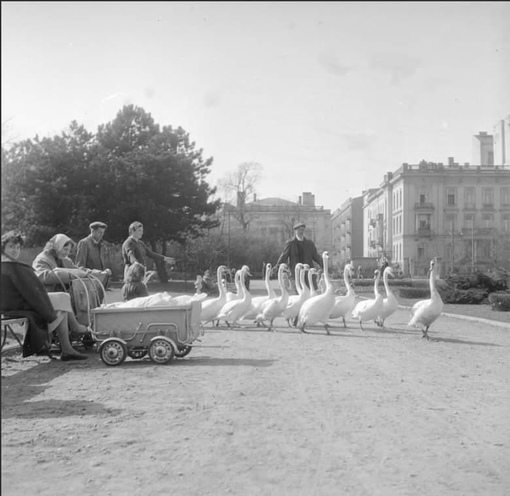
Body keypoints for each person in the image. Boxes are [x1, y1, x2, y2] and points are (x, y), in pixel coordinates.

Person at [1, 230, 88, 360]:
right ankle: (71, 338)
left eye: (17, 247)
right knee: (62, 298)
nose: (15, 250)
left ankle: (67, 348)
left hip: (22, 301)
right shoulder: (7, 266)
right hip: (15, 305)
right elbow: (22, 290)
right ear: (3, 248)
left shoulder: (13, 265)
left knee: (62, 303)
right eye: (11, 247)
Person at [274, 222, 323, 291]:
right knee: (298, 295)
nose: (301, 231)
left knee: (310, 295)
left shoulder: (309, 244)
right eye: (299, 230)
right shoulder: (290, 243)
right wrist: (277, 267)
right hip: (295, 274)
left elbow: (316, 256)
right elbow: (284, 256)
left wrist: (324, 266)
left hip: (308, 275)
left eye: (302, 230)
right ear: (295, 231)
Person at [75, 221, 112, 288]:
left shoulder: (101, 245)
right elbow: (79, 266)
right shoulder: (84, 243)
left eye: (103, 232)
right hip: (88, 284)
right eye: (99, 232)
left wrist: (105, 272)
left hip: (99, 283)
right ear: (92, 231)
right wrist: (94, 272)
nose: (102, 234)